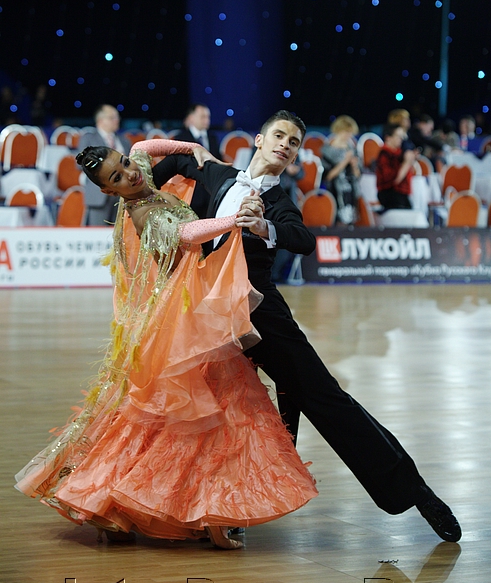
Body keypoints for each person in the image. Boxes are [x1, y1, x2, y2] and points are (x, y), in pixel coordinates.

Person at [152, 109, 461, 543]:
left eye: (294, 142)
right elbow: (163, 163)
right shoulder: (217, 173)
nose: (285, 144)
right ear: (259, 140)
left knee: (324, 398)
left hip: (260, 315)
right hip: (204, 316)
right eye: (279, 136)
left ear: (295, 155)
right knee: (215, 411)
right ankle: (218, 506)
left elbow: (303, 239)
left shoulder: (280, 202)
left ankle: (416, 492)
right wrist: (148, 185)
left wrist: (264, 226)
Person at [14, 137, 318, 550]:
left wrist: (193, 149)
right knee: (208, 413)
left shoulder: (139, 172)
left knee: (204, 414)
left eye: (124, 163)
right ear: (109, 191)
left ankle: (166, 509)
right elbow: (185, 233)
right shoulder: (144, 213)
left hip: (192, 304)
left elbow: (143, 146)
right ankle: (186, 510)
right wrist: (234, 221)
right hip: (180, 315)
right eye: (118, 176)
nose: (131, 173)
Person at [77, 104, 132, 225]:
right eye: (112, 118)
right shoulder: (88, 139)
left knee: (120, 232)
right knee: (97, 232)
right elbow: (81, 164)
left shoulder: (124, 140)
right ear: (101, 120)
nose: (116, 120)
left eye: (117, 117)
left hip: (122, 195)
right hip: (99, 194)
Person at [174, 104, 223, 219]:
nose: (207, 120)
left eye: (208, 117)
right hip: (191, 192)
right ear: (191, 118)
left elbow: (218, 160)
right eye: (202, 117)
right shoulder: (181, 138)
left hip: (210, 193)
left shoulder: (213, 138)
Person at [321, 115, 361, 224]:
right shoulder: (328, 151)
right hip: (334, 191)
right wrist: (344, 161)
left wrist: (354, 165)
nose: (349, 136)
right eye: (346, 132)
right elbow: (328, 176)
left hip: (350, 192)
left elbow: (358, 175)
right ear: (338, 130)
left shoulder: (352, 149)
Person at [376, 123, 419, 210]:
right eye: (398, 136)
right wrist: (407, 163)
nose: (401, 139)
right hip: (391, 194)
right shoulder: (385, 154)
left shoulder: (399, 154)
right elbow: (392, 179)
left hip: (401, 194)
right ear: (388, 138)